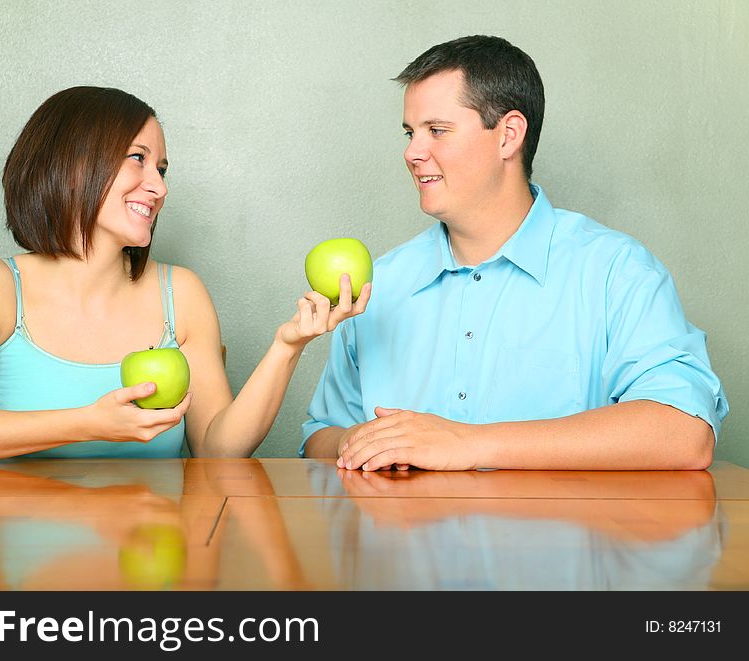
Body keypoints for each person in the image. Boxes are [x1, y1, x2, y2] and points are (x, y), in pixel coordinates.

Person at [301, 35, 728, 471]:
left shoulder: (615, 271)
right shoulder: (381, 283)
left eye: (438, 131)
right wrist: (368, 441)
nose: (412, 152)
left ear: (508, 135)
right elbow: (320, 434)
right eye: (411, 133)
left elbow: (685, 432)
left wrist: (469, 445)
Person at [0, 86, 370, 466]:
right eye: (137, 159)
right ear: (74, 162)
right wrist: (88, 422)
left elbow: (217, 450)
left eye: (161, 168)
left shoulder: (180, 293)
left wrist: (288, 346)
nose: (159, 187)